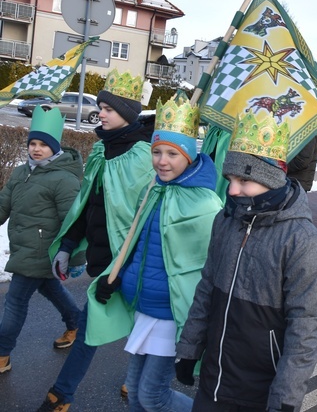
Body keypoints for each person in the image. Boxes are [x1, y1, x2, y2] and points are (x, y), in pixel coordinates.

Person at [175, 112, 317, 411]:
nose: (232, 190)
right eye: (230, 179)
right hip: (213, 378)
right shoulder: (227, 219)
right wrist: (190, 348)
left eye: (244, 179)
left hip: (260, 390)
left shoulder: (304, 242)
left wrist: (286, 397)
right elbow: (207, 286)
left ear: (270, 177)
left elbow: (305, 326)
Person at [85, 99, 222, 411]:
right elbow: (135, 243)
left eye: (173, 153)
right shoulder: (153, 190)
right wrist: (115, 277)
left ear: (189, 156)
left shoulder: (206, 205)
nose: (162, 161)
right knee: (134, 391)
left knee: (152, 395)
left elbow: (210, 267)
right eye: (157, 152)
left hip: (171, 314)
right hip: (143, 306)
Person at [39, 71, 155, 411]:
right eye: (100, 106)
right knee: (94, 329)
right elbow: (88, 202)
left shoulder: (145, 157)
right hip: (104, 260)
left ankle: (72, 392)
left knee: (143, 327)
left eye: (107, 108)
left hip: (132, 263)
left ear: (128, 113)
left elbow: (145, 221)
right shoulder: (102, 149)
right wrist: (66, 245)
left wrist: (123, 270)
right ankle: (67, 393)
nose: (100, 113)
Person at [0, 107, 83, 375]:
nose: (36, 149)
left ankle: (2, 354)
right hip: (23, 246)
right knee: (50, 288)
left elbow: (73, 222)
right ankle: (77, 323)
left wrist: (73, 257)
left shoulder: (64, 179)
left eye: (43, 145)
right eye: (32, 143)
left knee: (15, 301)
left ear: (55, 147)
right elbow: (4, 204)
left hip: (42, 251)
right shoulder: (22, 172)